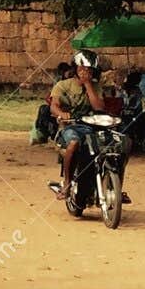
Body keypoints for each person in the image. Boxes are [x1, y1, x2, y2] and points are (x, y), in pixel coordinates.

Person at [48, 53, 109, 207]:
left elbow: (99, 108)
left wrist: (88, 85)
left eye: (89, 70)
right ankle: (67, 183)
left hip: (91, 127)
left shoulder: (96, 87)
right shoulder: (63, 85)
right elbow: (54, 105)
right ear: (75, 69)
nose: (85, 72)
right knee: (74, 143)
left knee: (115, 145)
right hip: (70, 127)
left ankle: (112, 183)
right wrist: (62, 114)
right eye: (82, 69)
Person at [33, 62, 73, 145]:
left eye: (67, 71)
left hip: (69, 107)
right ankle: (43, 134)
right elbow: (52, 96)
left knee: (49, 111)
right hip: (59, 105)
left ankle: (53, 134)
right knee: (43, 109)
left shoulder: (73, 82)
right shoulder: (59, 81)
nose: (66, 74)